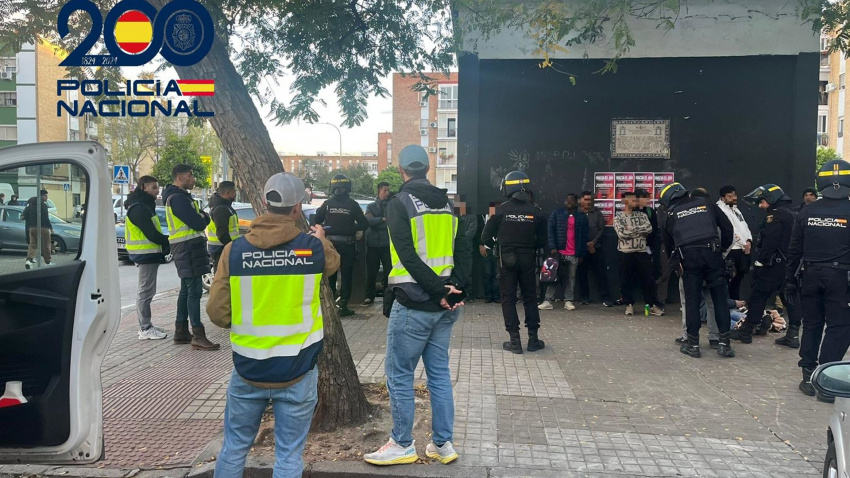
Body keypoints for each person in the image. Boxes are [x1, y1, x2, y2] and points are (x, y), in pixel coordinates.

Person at [207, 173, 340, 478]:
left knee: (234, 447)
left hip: (249, 369)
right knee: (289, 454)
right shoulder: (310, 248)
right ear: (297, 207)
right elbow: (333, 265)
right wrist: (322, 241)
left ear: (264, 203)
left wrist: (250, 319)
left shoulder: (234, 251)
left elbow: (217, 312)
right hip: (297, 369)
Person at [364, 145, 470, 466]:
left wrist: (438, 291)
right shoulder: (448, 204)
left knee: (399, 374)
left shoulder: (399, 203)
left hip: (414, 302)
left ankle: (401, 443)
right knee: (439, 375)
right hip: (445, 306)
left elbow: (407, 256)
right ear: (427, 168)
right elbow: (463, 247)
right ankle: (443, 444)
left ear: (401, 171)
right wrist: (454, 290)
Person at [787, 159, 850, 402]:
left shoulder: (808, 211)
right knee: (839, 327)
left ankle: (808, 376)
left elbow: (795, 249)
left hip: (810, 275)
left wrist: (789, 280)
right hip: (841, 278)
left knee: (812, 325)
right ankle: (827, 380)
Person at [661, 182, 735, 358]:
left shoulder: (670, 215)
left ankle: (693, 345)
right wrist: (722, 249)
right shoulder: (706, 204)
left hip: (689, 259)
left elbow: (668, 245)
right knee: (719, 300)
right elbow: (727, 228)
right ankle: (724, 345)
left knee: (692, 301)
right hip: (712, 254)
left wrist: (676, 263)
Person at [481, 171, 547, 354]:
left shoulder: (499, 210)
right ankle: (533, 339)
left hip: (506, 260)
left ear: (508, 187)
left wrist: (499, 245)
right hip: (528, 259)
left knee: (508, 298)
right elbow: (543, 240)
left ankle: (514, 341)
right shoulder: (536, 211)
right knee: (530, 298)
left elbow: (485, 237)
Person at [728, 184, 802, 347]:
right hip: (791, 265)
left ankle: (747, 331)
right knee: (790, 298)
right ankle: (793, 335)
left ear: (771, 199)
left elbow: (770, 243)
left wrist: (760, 262)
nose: (760, 206)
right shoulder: (793, 214)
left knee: (757, 296)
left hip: (773, 265)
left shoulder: (775, 216)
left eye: (762, 202)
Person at [163, 164, 219, 350]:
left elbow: (202, 217)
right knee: (194, 291)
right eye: (190, 175)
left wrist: (202, 217)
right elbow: (198, 222)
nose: (193, 179)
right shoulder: (178, 199)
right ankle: (198, 334)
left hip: (187, 247)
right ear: (180, 177)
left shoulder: (180, 197)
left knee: (186, 290)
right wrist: (202, 217)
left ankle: (181, 332)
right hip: (188, 248)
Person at [315, 174, 369, 317]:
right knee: (346, 275)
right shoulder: (353, 204)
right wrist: (351, 227)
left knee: (331, 274)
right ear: (348, 187)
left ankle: (331, 305)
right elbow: (364, 224)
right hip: (347, 244)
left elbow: (316, 219)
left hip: (330, 244)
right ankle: (343, 306)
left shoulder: (327, 204)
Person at [124, 176, 171, 340]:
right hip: (145, 254)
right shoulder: (139, 208)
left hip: (147, 253)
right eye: (154, 187)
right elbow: (152, 234)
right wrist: (170, 241)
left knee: (147, 291)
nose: (157, 191)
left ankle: (146, 325)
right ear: (144, 187)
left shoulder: (143, 205)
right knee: (145, 291)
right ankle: (145, 328)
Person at [613, 191, 664, 316]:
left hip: (642, 251)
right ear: (624, 201)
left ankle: (651, 305)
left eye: (635, 199)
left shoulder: (642, 215)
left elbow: (649, 229)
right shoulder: (618, 217)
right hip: (625, 252)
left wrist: (631, 229)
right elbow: (622, 234)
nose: (634, 202)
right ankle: (629, 305)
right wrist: (639, 231)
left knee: (648, 280)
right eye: (630, 199)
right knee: (626, 280)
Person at [539, 193, 587, 311]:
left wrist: (581, 253)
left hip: (574, 253)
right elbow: (550, 231)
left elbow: (584, 236)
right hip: (559, 252)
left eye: (572, 200)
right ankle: (548, 301)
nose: (569, 202)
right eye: (567, 200)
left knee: (571, 278)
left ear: (576, 202)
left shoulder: (581, 217)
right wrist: (553, 248)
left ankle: (568, 301)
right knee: (553, 276)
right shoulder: (556, 214)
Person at [577, 191, 613, 307]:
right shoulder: (576, 213)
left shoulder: (597, 213)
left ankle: (606, 298)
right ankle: (584, 297)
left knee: (601, 274)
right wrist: (584, 244)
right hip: (581, 249)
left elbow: (601, 229)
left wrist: (593, 242)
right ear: (580, 200)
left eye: (590, 200)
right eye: (586, 199)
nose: (588, 202)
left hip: (596, 248)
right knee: (582, 274)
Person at [716, 186, 753, 300]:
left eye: (734, 195)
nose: (734, 198)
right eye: (730, 196)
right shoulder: (721, 210)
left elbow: (744, 226)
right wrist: (744, 244)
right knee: (729, 279)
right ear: (723, 198)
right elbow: (731, 230)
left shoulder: (736, 210)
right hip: (732, 249)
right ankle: (729, 304)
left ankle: (735, 303)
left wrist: (749, 240)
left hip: (743, 249)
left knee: (738, 280)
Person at [364, 181, 392, 305]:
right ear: (379, 190)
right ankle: (369, 296)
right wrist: (383, 219)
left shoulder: (391, 206)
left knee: (389, 272)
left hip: (387, 244)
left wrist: (378, 221)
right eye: (385, 190)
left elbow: (391, 222)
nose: (387, 192)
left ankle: (388, 296)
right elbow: (369, 221)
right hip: (373, 244)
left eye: (388, 190)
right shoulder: (371, 206)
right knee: (371, 272)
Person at [206, 181, 239, 271]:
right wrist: (232, 247)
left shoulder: (224, 207)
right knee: (222, 275)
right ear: (227, 192)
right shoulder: (221, 209)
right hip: (221, 248)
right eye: (233, 191)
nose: (235, 194)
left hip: (222, 247)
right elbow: (222, 233)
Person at [22, 190, 52, 269]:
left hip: (32, 227)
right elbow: (45, 217)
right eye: (45, 195)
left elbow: (23, 216)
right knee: (46, 245)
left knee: (32, 245)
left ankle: (29, 260)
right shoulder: (43, 205)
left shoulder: (30, 205)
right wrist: (50, 227)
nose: (47, 197)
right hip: (43, 227)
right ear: (41, 196)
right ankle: (48, 262)